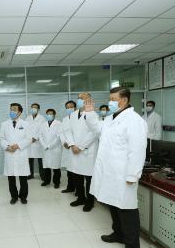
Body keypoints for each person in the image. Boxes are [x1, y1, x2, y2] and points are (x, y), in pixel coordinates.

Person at [84, 87, 147, 248]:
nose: (110, 102)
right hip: (109, 172)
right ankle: (118, 234)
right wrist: (91, 114)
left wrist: (133, 175)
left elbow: (137, 150)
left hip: (123, 174)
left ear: (124, 100)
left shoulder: (135, 121)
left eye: (113, 99)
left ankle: (132, 244)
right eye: (110, 99)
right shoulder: (111, 118)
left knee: (127, 210)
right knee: (113, 204)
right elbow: (97, 130)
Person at [65, 93, 98, 212]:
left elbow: (94, 133)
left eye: (82, 98)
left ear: (89, 100)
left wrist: (81, 147)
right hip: (74, 150)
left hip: (87, 151)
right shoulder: (73, 115)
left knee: (89, 178)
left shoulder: (92, 114)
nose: (79, 100)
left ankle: (89, 202)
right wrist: (72, 144)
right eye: (78, 98)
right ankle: (80, 198)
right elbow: (68, 131)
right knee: (76, 176)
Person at [0, 103, 32, 205]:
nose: (12, 111)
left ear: (19, 112)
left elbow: (29, 139)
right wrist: (7, 147)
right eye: (11, 109)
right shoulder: (4, 124)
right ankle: (14, 197)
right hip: (10, 154)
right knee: (11, 178)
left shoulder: (25, 124)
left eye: (14, 109)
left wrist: (17, 146)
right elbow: (1, 138)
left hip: (21, 153)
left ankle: (23, 197)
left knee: (23, 178)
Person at [39, 109, 62, 189]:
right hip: (45, 149)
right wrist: (44, 145)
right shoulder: (43, 124)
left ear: (54, 115)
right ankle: (46, 181)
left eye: (51, 114)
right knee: (46, 167)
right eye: (48, 114)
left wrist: (50, 146)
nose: (49, 115)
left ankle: (56, 182)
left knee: (56, 168)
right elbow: (40, 136)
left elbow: (58, 137)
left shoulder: (59, 123)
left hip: (55, 149)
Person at [60, 100, 77, 194]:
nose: (69, 109)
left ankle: (78, 190)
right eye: (67, 108)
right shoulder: (65, 119)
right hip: (67, 147)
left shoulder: (80, 118)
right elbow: (61, 132)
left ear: (75, 108)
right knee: (69, 169)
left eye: (71, 107)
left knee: (76, 170)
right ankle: (70, 187)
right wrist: (64, 142)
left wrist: (72, 143)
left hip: (75, 147)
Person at [25, 103, 45, 180]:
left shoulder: (42, 118)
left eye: (35, 108)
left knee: (40, 160)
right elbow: (26, 129)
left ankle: (42, 175)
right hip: (29, 142)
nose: (33, 109)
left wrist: (35, 138)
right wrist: (29, 138)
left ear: (38, 109)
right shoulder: (27, 118)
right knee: (30, 160)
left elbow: (42, 130)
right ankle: (30, 174)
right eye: (32, 108)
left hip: (38, 142)